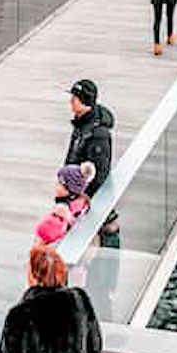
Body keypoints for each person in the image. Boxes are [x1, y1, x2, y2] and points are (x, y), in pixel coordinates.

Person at [65, 80, 118, 248]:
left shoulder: (98, 134)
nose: (71, 102)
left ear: (85, 102)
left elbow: (99, 173)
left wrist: (83, 196)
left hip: (91, 207)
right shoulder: (81, 124)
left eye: (74, 99)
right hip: (77, 198)